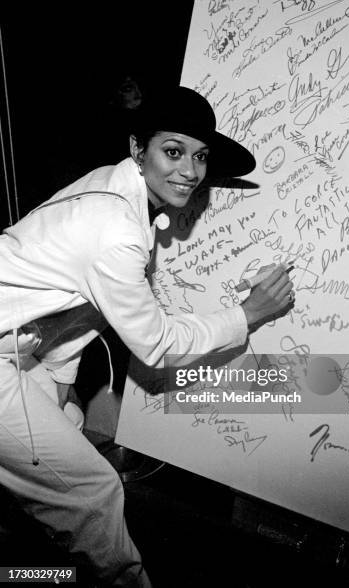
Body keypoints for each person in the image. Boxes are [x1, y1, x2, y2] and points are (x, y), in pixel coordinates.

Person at [0, 86, 294, 587]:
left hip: (19, 351)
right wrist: (247, 314)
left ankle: (34, 574)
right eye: (173, 151)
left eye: (199, 157)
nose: (190, 171)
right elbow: (156, 345)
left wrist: (58, 379)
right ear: (139, 149)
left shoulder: (112, 186)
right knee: (96, 490)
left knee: (69, 428)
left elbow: (79, 310)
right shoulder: (116, 227)